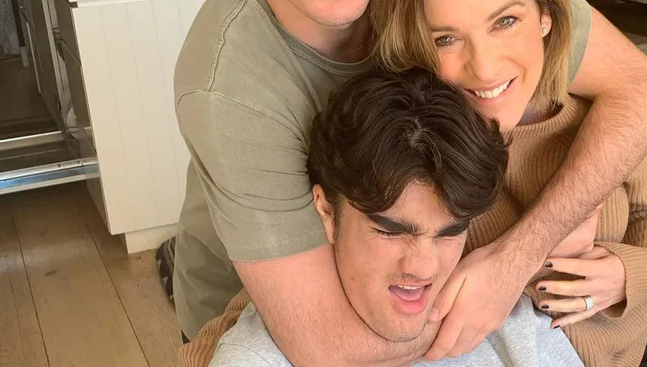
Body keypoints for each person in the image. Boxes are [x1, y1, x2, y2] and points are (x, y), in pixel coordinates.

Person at [169, 0, 647, 363]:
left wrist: (524, 252)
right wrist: (515, 273)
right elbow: (328, 347)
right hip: (285, 317)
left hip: (454, 289)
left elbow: (644, 89)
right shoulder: (230, 87)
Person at [206, 67, 585, 367]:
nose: (423, 268)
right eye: (389, 231)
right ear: (326, 212)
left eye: (448, 233)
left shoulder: (507, 324)